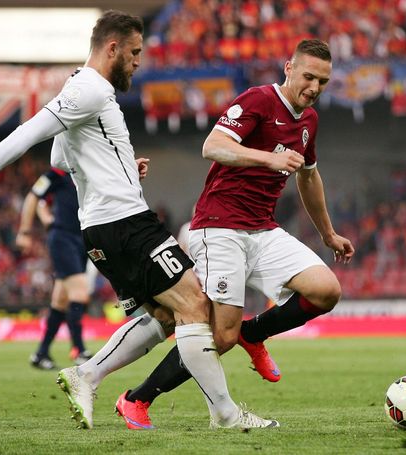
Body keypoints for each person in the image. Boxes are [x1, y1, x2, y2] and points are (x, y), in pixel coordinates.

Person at [0, 10, 277, 430]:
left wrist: (121, 165)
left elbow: (60, 157)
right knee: (196, 304)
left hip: (103, 227)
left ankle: (87, 374)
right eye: (134, 52)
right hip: (125, 223)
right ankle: (224, 414)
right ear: (112, 48)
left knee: (166, 316)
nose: (137, 61)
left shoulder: (85, 89)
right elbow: (29, 132)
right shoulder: (89, 89)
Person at [114, 38, 355, 430]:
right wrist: (270, 158)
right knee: (218, 337)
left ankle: (254, 333)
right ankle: (136, 399)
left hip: (262, 228)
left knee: (326, 290)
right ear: (288, 68)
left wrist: (327, 233)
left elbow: (309, 177)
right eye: (309, 76)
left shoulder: (308, 121)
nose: (314, 87)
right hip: (219, 226)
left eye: (323, 81)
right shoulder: (259, 100)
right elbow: (214, 146)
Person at [16, 167, 94, 370]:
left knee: (60, 300)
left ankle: (41, 353)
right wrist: (25, 231)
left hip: (82, 240)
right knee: (80, 292)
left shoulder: (87, 172)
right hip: (63, 238)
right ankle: (79, 350)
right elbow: (35, 197)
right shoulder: (57, 174)